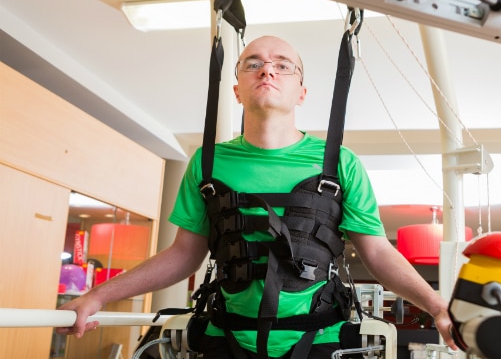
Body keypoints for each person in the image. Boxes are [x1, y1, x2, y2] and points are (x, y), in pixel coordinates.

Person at [57, 35, 458, 358]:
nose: (268, 69)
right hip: (224, 336)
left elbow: (379, 254)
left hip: (319, 339)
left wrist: (437, 305)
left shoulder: (341, 163)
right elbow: (183, 255)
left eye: (283, 65)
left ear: (301, 91)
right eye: (253, 63)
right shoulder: (207, 163)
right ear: (236, 89)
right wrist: (97, 296)